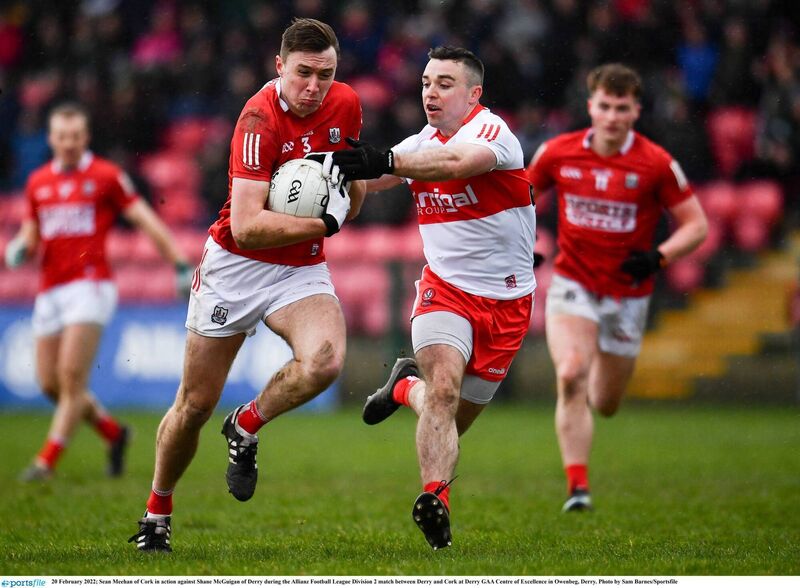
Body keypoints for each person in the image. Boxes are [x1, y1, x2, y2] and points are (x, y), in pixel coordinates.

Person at [128, 18, 365, 553]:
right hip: (236, 267)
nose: (314, 87)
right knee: (193, 405)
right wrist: (325, 224)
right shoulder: (257, 120)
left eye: (325, 75)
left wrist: (350, 197)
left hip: (298, 268)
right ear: (279, 67)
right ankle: (156, 513)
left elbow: (351, 187)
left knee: (325, 360)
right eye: (303, 73)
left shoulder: (346, 104)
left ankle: (247, 424)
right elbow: (247, 225)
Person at [332, 46, 537, 549]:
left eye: (445, 83)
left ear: (474, 94)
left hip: (508, 305)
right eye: (426, 82)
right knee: (443, 393)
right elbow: (379, 175)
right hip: (444, 292)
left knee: (447, 417)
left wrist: (388, 159)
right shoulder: (421, 142)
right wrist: (332, 168)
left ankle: (404, 387)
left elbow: (454, 163)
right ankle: (435, 501)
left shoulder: (492, 133)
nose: (431, 91)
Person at [526, 63, 709, 512]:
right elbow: (518, 201)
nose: (611, 116)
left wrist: (658, 257)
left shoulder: (656, 163)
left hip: (628, 294)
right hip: (573, 283)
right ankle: (577, 487)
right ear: (590, 106)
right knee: (570, 373)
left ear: (636, 111)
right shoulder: (557, 153)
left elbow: (697, 226)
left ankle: (587, 413)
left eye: (621, 108)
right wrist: (524, 244)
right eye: (604, 106)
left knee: (605, 402)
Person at [4, 102, 193, 482]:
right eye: (62, 136)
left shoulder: (106, 176)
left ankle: (46, 462)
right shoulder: (38, 182)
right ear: (51, 139)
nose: (69, 143)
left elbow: (145, 218)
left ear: (85, 137)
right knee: (49, 384)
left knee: (72, 379)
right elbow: (32, 230)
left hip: (90, 287)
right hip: (51, 289)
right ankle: (115, 433)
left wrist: (178, 262)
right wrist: (20, 246)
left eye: (75, 136)